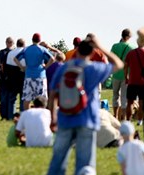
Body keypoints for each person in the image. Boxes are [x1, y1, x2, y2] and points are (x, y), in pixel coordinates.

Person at [46, 34, 124, 175]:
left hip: (65, 117)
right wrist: (100, 46)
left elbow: (53, 94)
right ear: (92, 52)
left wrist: (53, 118)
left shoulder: (63, 69)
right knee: (85, 162)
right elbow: (119, 64)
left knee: (58, 159)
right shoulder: (94, 68)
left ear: (77, 51)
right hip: (87, 119)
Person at [14, 33, 55, 110]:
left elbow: (15, 59)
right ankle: (41, 114)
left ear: (32, 40)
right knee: (42, 99)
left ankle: (27, 114)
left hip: (28, 75)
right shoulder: (42, 49)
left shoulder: (26, 49)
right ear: (39, 40)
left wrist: (22, 67)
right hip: (40, 76)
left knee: (27, 98)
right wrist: (46, 67)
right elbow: (52, 58)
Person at [124, 37, 144, 122]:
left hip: (132, 81)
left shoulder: (131, 53)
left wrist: (126, 77)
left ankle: (128, 120)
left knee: (130, 102)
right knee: (141, 102)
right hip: (143, 82)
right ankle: (140, 120)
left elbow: (125, 66)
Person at [111, 28, 134, 120]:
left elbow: (111, 60)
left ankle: (115, 115)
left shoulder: (115, 46)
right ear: (128, 37)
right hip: (126, 75)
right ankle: (123, 116)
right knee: (124, 97)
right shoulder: (131, 47)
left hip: (116, 74)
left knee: (115, 95)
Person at [4, 38, 26, 118]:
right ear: (24, 44)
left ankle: (10, 116)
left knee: (12, 98)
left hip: (12, 77)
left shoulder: (10, 53)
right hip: (22, 76)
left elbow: (7, 66)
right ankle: (22, 116)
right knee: (22, 98)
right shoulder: (25, 52)